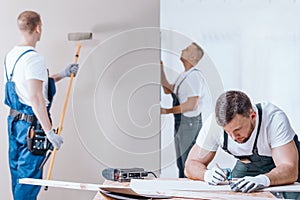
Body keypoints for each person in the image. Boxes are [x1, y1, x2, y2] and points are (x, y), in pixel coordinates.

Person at [4, 10, 79, 200]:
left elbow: (32, 86)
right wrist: (49, 132)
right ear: (38, 28)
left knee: (19, 177)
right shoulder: (34, 58)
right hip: (31, 127)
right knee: (28, 180)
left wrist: (62, 73)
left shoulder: (12, 55)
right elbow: (36, 97)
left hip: (15, 123)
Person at [185, 90, 300, 198]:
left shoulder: (273, 118)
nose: (233, 137)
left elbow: (289, 169)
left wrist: (264, 179)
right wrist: (207, 175)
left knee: (293, 194)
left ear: (252, 116)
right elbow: (191, 165)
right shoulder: (213, 126)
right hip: (248, 164)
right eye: (227, 132)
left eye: (237, 130)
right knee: (232, 193)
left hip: (287, 166)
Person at [161, 42, 211, 178]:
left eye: (187, 49)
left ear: (193, 57)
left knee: (187, 165)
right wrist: (160, 69)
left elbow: (191, 105)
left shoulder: (194, 76)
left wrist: (166, 111)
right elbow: (168, 90)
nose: (182, 49)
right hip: (182, 123)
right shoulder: (184, 75)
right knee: (181, 163)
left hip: (189, 124)